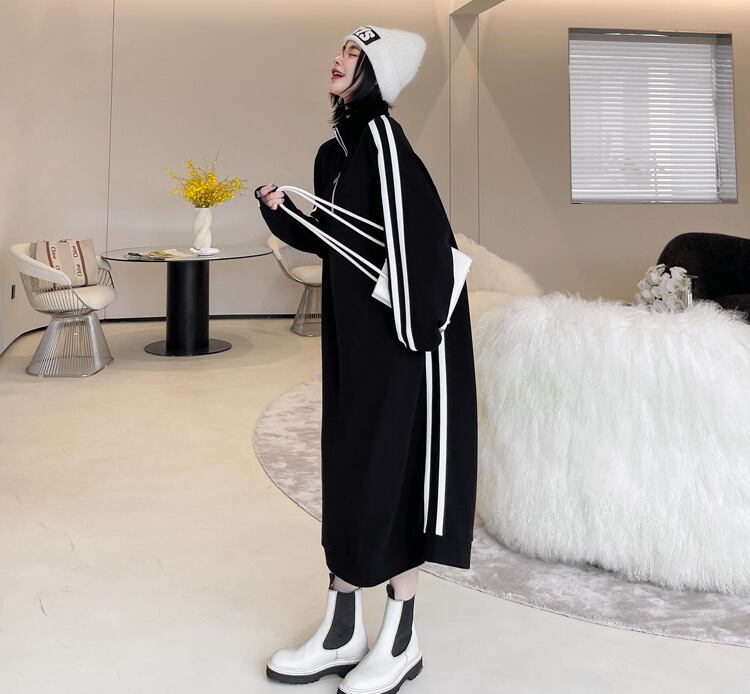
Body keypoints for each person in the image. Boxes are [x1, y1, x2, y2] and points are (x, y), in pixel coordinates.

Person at [255, 24, 478, 694]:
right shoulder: (337, 151)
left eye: (354, 52)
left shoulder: (382, 137)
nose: (338, 57)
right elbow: (337, 237)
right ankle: (342, 629)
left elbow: (421, 238)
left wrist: (416, 336)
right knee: (351, 467)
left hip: (405, 340)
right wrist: (282, 214)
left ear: (376, 72)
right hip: (358, 338)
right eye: (341, 48)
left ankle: (401, 640)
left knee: (396, 474)